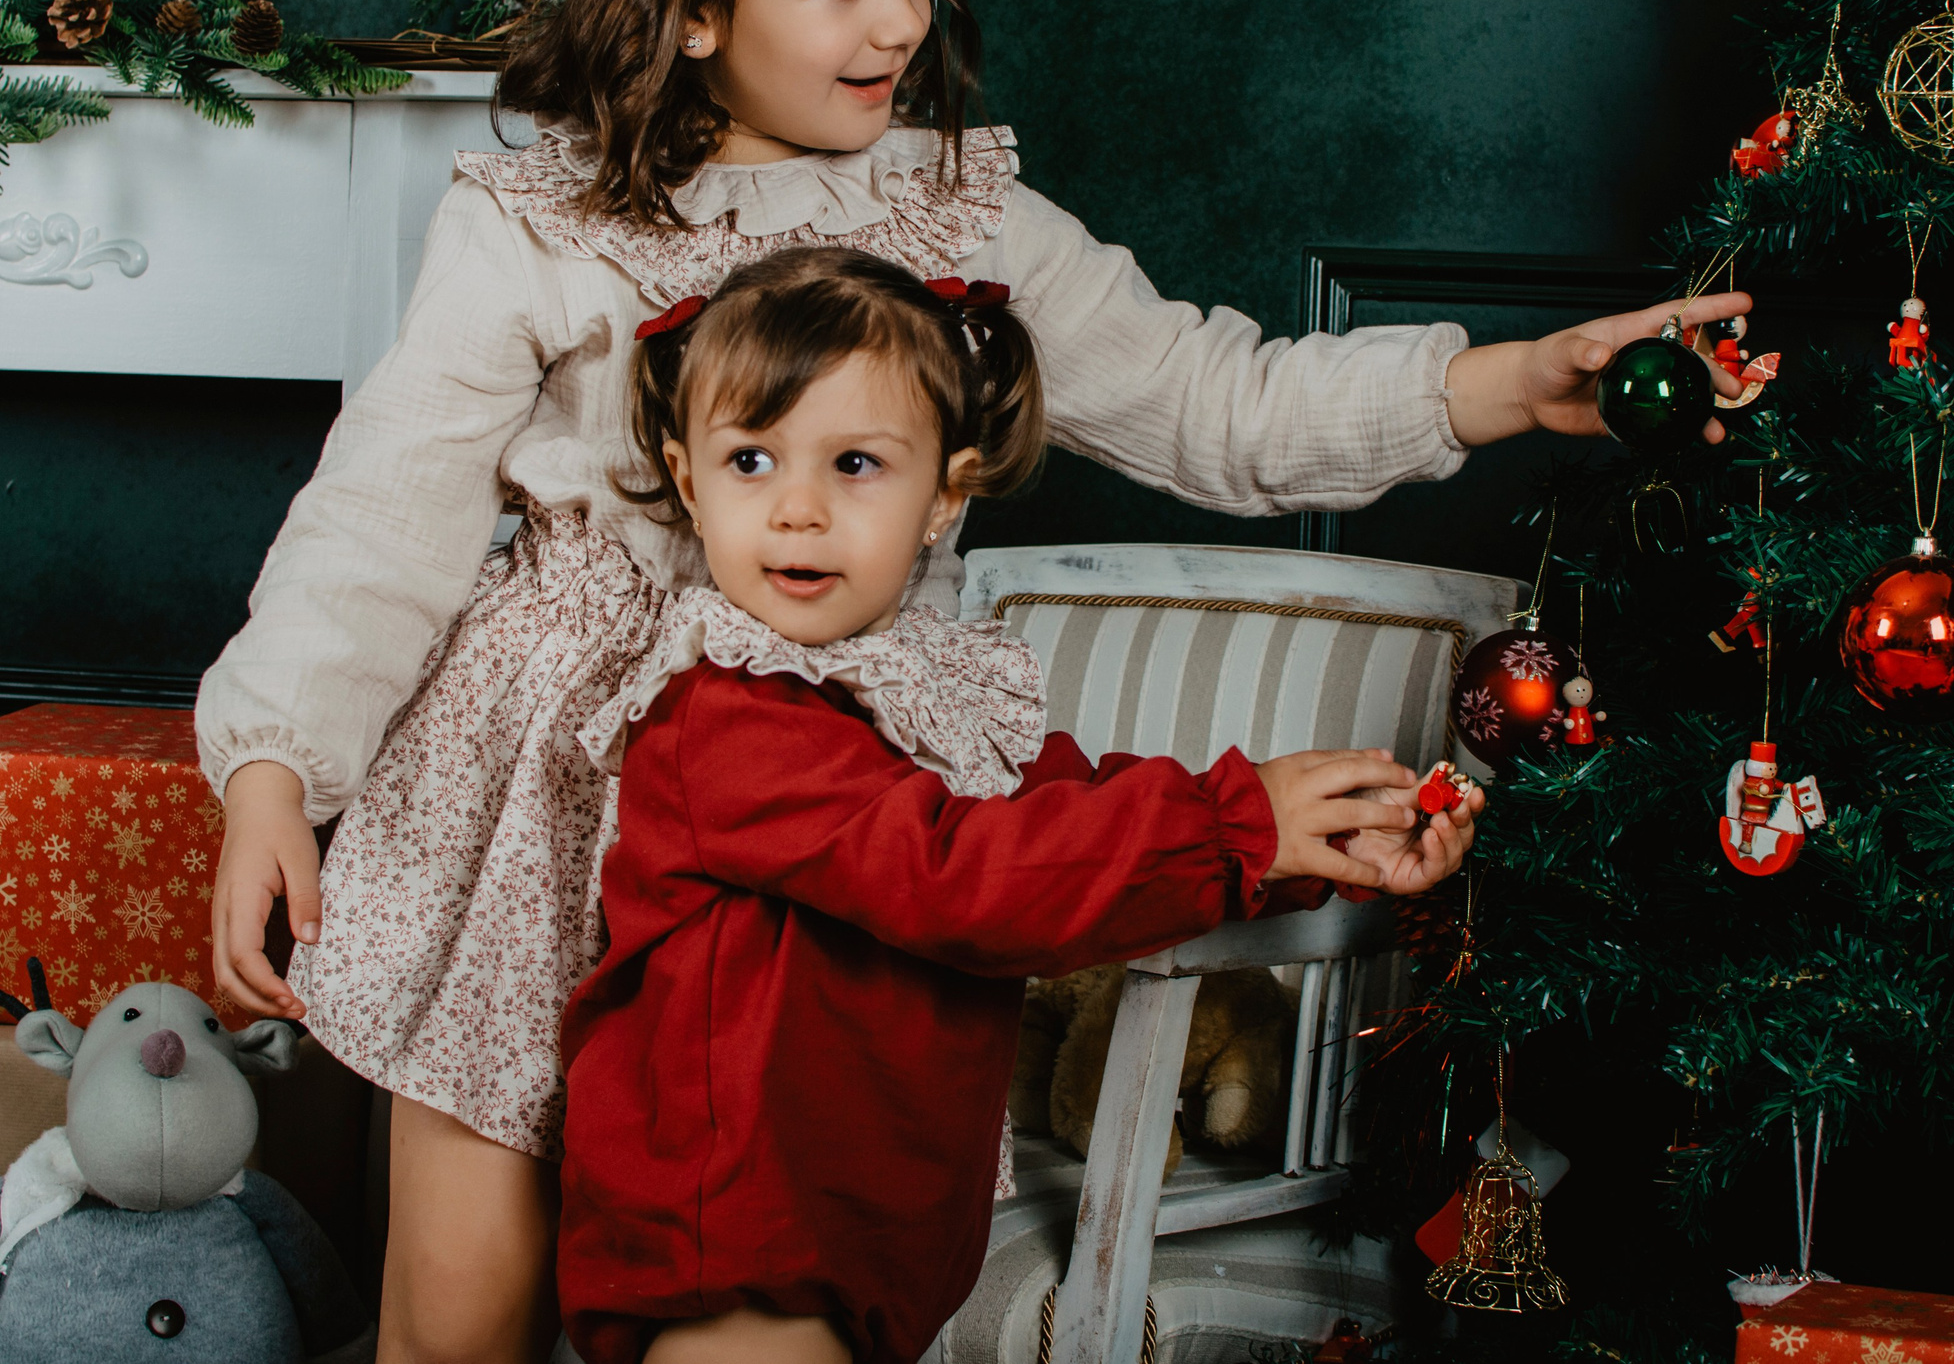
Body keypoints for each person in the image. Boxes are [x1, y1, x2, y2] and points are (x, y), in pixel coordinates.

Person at [201, 0, 1750, 1364]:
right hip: (538, 784)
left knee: (765, 1255)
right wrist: (279, 764)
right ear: (699, 9)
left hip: (827, 775)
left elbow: (1211, 402)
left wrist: (1503, 383)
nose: (900, 22)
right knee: (462, 1305)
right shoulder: (545, 220)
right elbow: (384, 514)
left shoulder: (959, 209)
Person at [556, 246, 1482, 1364]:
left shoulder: (917, 685)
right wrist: (1239, 823)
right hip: (739, 1241)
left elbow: (1070, 813)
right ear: (689, 480)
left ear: (944, 493)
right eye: (750, 459)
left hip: (859, 1228)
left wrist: (1309, 842)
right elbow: (961, 873)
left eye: (854, 463)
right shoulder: (727, 718)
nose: (796, 509)